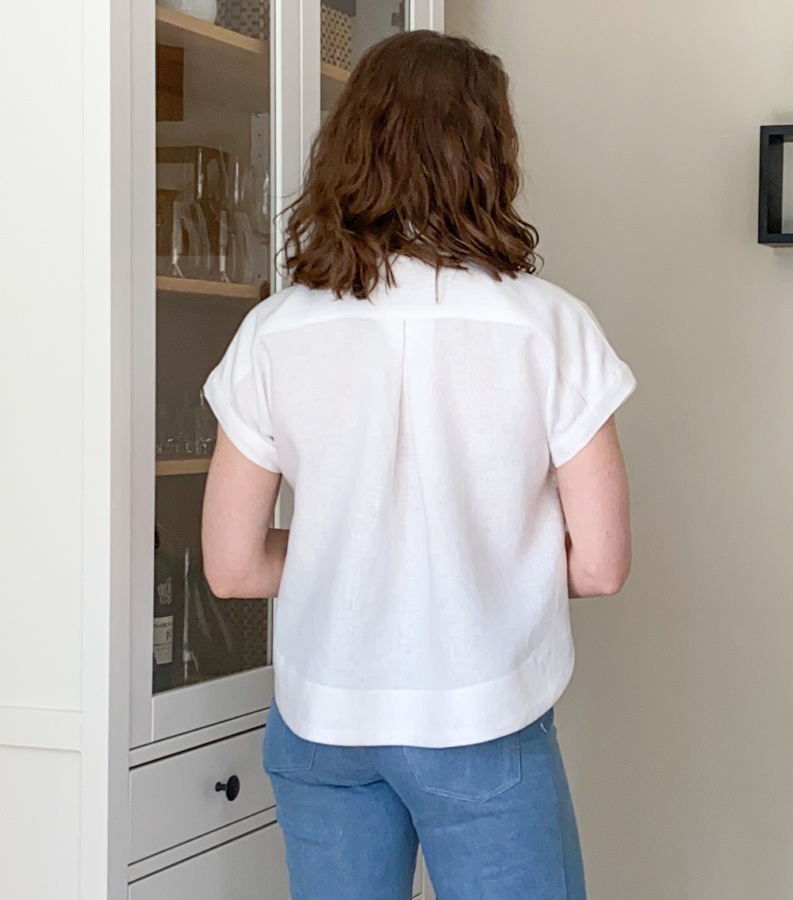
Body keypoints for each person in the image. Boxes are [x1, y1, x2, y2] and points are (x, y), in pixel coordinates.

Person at [201, 29, 635, 900]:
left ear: (349, 148)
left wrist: (349, 557)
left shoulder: (275, 333)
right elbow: (600, 564)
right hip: (479, 717)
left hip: (322, 722)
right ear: (489, 153)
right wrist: (478, 564)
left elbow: (233, 567)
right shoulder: (547, 326)